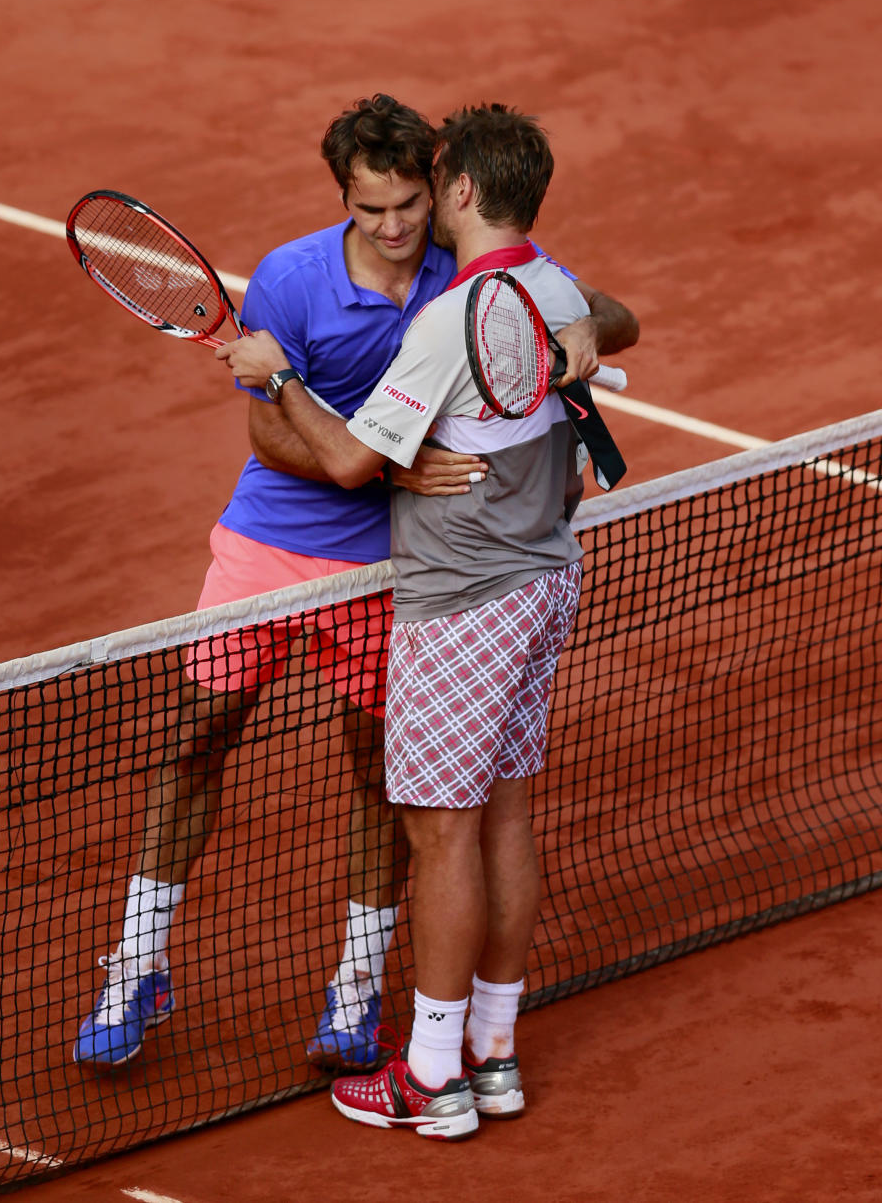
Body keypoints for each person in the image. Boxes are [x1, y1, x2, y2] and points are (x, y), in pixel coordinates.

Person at [73, 94, 638, 1075]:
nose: (392, 227)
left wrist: (588, 329)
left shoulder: (463, 273)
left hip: (392, 572)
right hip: (269, 549)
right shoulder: (291, 280)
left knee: (382, 778)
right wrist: (394, 465)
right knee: (195, 743)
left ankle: (357, 985)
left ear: (437, 189)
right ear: (343, 196)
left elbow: (606, 309)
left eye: (409, 205)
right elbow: (267, 432)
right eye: (370, 208)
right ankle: (136, 964)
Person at [224, 102, 639, 1139]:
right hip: (545, 583)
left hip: (461, 609)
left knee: (440, 834)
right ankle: (494, 1054)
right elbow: (611, 314)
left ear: (458, 194)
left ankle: (430, 1077)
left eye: (430, 186)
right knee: (503, 814)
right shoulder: (548, 288)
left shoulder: (448, 320)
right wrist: (595, 327)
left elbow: (354, 463)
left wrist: (275, 376)